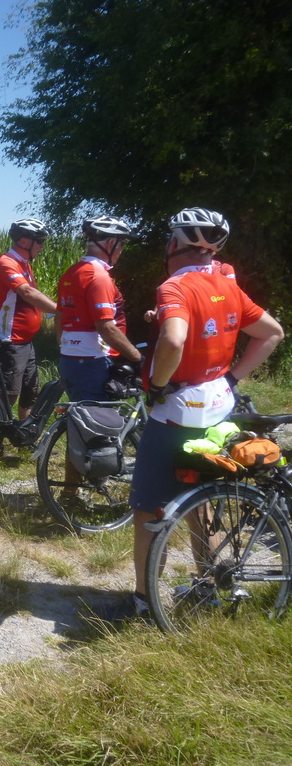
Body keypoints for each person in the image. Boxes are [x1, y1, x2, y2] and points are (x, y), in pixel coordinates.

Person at [127, 207, 284, 617]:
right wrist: (232, 377)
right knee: (201, 500)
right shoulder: (226, 283)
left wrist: (157, 384)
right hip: (217, 405)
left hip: (177, 412)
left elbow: (174, 340)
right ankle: (208, 586)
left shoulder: (174, 286)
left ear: (175, 243)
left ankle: (144, 601)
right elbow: (272, 333)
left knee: (148, 509)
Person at [56, 215, 143, 402]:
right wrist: (137, 358)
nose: (122, 250)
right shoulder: (99, 277)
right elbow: (106, 327)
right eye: (122, 244)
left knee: (81, 413)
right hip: (93, 361)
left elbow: (59, 317)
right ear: (111, 243)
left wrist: (68, 349)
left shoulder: (72, 272)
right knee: (97, 416)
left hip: (70, 358)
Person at [0, 218, 58, 419]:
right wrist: (61, 311)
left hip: (24, 340)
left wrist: (52, 312)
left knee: (30, 391)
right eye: (40, 240)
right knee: (9, 394)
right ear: (24, 241)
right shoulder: (7, 262)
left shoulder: (24, 264)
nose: (42, 246)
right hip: (8, 339)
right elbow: (27, 292)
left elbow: (34, 298)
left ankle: (24, 432)